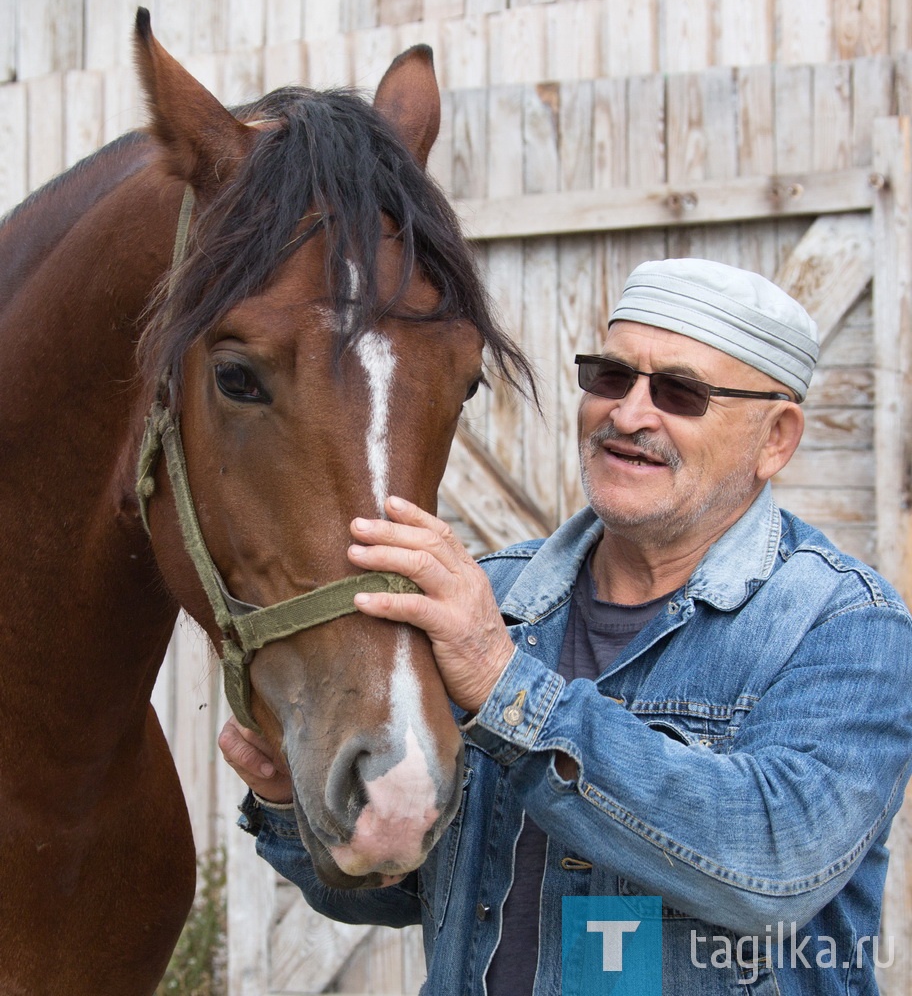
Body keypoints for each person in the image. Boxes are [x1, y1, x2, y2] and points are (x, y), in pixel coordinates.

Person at [219, 258, 912, 995]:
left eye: (680, 392)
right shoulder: (493, 594)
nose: (630, 414)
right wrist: (292, 806)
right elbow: (403, 885)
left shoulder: (843, 625)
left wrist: (505, 684)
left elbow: (775, 866)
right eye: (611, 377)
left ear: (775, 438)